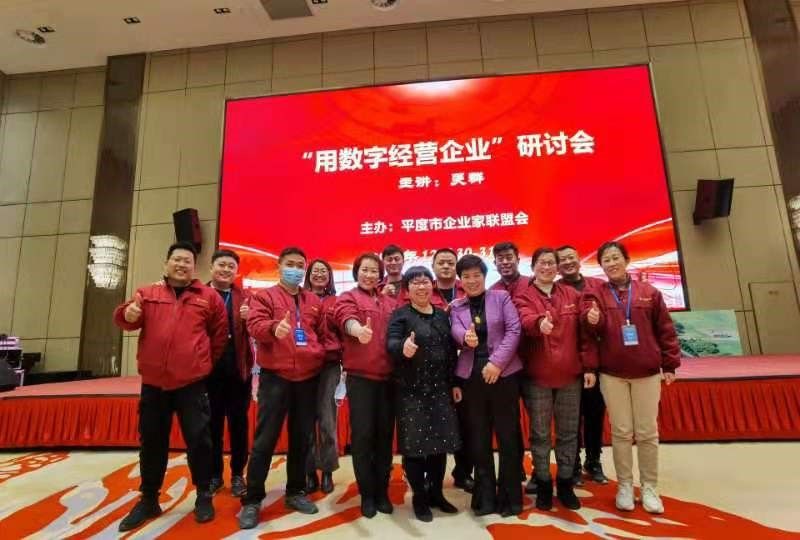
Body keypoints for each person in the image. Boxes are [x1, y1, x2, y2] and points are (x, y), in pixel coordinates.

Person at [112, 241, 227, 532]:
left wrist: (202, 364)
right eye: (177, 259)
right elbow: (126, 318)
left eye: (187, 261)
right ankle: (149, 498)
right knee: (151, 442)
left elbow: (218, 337)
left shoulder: (209, 297)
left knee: (199, 441)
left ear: (194, 267)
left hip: (191, 384)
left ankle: (203, 495)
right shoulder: (147, 293)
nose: (182, 264)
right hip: (154, 384)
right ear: (166, 264)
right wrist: (127, 314)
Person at [585, 241, 680, 514]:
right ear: (601, 266)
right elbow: (590, 334)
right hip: (612, 373)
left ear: (626, 260)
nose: (611, 263)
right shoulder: (596, 294)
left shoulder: (649, 292)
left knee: (647, 432)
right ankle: (625, 485)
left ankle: (650, 487)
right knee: (621, 431)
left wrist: (670, 364)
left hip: (647, 372)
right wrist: (591, 320)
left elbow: (665, 330)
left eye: (615, 258)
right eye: (606, 260)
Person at [239, 247, 326, 529]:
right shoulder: (264, 296)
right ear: (279, 266)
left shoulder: (313, 300)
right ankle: (252, 499)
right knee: (265, 439)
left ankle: (296, 491)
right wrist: (273, 328)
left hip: (307, 378)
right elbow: (254, 325)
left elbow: (323, 334)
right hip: (276, 377)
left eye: (300, 265)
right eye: (290, 264)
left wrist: (317, 354)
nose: (296, 270)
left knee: (302, 439)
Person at [514, 247, 598, 511]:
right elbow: (525, 319)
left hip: (570, 376)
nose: (547, 267)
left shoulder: (572, 294)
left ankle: (565, 483)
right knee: (540, 434)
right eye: (542, 263)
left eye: (552, 263)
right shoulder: (523, 295)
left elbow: (585, 333)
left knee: (568, 433)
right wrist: (539, 323)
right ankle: (542, 482)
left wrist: (589, 366)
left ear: (557, 267)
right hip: (537, 377)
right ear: (533, 267)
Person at [450, 254, 523, 517]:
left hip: (504, 375)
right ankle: (485, 498)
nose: (471, 280)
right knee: (478, 439)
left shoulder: (501, 297)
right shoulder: (456, 307)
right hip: (471, 378)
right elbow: (455, 332)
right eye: (466, 276)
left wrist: (496, 363)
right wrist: (465, 337)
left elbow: (514, 330)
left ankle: (510, 498)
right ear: (460, 280)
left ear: (484, 276)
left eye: (476, 275)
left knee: (508, 437)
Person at [387, 266, 461, 522]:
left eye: (425, 282)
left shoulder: (441, 315)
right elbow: (391, 343)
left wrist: (454, 383)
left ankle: (436, 494)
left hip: (440, 389)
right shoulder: (400, 315)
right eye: (415, 283)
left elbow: (450, 353)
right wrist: (402, 347)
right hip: (411, 391)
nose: (422, 287)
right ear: (407, 290)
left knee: (440, 445)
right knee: (415, 447)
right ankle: (420, 497)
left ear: (433, 286)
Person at [334, 253, 398, 518]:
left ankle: (382, 491)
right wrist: (357, 330)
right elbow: (344, 317)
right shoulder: (348, 297)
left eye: (374, 271)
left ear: (380, 275)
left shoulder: (391, 302)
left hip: (389, 379)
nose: (369, 275)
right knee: (362, 437)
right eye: (365, 270)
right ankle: (367, 494)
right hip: (361, 379)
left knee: (384, 436)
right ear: (356, 272)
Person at [556, 244, 608, 486]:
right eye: (562, 260)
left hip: (596, 362)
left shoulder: (598, 286)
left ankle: (593, 460)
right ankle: (573, 463)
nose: (567, 262)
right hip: (567, 363)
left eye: (571, 257)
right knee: (570, 418)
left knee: (595, 414)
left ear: (579, 259)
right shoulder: (554, 290)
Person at [206, 249, 254, 498]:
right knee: (211, 426)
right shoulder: (199, 294)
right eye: (221, 265)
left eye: (231, 267)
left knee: (239, 425)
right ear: (212, 267)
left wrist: (250, 318)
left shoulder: (245, 297)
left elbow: (257, 329)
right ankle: (214, 475)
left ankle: (237, 474)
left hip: (238, 371)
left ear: (236, 271)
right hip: (207, 373)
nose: (226, 270)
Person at [490, 241, 532, 492]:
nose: (505, 262)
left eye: (509, 257)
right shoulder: (492, 291)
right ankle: (515, 469)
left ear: (518, 259)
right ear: (494, 263)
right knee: (510, 421)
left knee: (539, 420)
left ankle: (541, 471)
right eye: (500, 258)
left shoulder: (532, 284)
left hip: (534, 362)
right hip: (506, 366)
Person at [430, 248, 472, 492]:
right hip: (435, 367)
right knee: (436, 421)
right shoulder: (424, 289)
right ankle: (431, 476)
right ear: (433, 266)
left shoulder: (468, 288)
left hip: (466, 364)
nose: (446, 266)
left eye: (450, 262)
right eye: (441, 263)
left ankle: (463, 472)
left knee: (467, 421)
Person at [303, 259, 341, 495]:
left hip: (329, 365)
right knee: (306, 423)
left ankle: (327, 470)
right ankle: (309, 473)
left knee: (327, 421)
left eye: (323, 271)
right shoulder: (299, 298)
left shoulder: (338, 301)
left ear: (329, 276)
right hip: (303, 367)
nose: (319, 274)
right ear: (308, 275)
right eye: (315, 271)